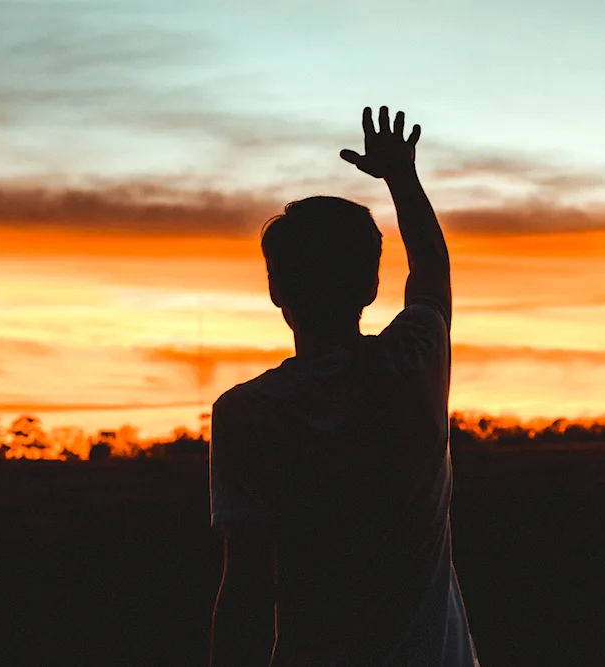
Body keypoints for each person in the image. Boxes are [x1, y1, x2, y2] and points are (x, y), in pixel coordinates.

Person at [209, 106, 480, 667]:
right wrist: (401, 177)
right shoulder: (415, 363)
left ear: (275, 288)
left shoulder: (247, 413)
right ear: (372, 284)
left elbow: (247, 591)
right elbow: (432, 267)